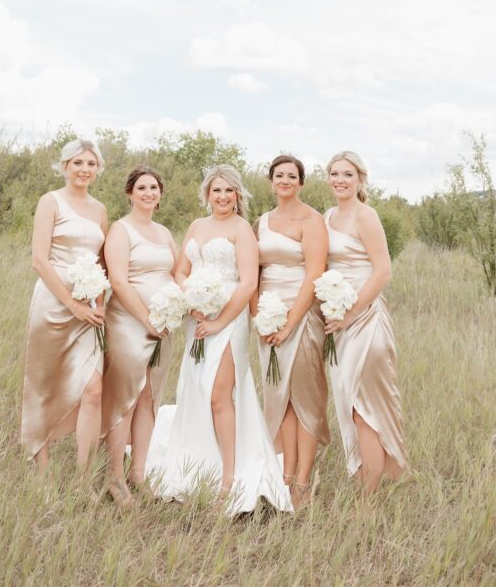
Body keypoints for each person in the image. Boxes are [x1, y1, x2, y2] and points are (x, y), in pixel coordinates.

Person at [146, 164, 292, 514]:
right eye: (217, 191)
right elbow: (181, 270)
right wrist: (191, 297)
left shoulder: (242, 229)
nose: (223, 197)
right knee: (195, 388)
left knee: (219, 396)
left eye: (229, 191)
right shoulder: (197, 226)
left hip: (230, 319)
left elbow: (247, 283)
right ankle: (201, 465)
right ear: (207, 194)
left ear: (238, 195)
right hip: (199, 318)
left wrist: (220, 320)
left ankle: (229, 479)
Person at [21, 139, 108, 474]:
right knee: (45, 385)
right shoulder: (51, 201)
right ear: (65, 166)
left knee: (93, 390)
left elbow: (100, 264)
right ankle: (42, 472)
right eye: (78, 163)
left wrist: (96, 305)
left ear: (98, 170)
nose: (84, 170)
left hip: (89, 309)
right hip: (54, 305)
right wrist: (72, 304)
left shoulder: (100, 210)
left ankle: (83, 476)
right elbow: (39, 261)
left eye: (90, 164)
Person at [324, 151, 408, 492]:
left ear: (360, 179)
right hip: (338, 322)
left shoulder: (366, 215)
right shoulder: (327, 216)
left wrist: (350, 314)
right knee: (348, 404)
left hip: (365, 319)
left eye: (347, 174)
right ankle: (368, 479)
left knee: (365, 409)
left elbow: (383, 271)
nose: (340, 179)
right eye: (334, 173)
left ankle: (369, 499)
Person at [253, 154, 329, 510]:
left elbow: (315, 274)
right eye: (279, 175)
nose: (285, 180)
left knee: (305, 399)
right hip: (267, 319)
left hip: (301, 316)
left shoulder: (312, 221)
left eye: (291, 176)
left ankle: (303, 481)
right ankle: (285, 475)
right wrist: (260, 319)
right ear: (271, 181)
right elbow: (253, 272)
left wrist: (290, 323)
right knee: (278, 397)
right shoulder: (261, 222)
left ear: (301, 182)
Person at [101, 167, 178, 507]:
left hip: (162, 326)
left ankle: (139, 474)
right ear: (130, 193)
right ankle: (114, 478)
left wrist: (177, 308)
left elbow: (175, 274)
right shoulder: (120, 230)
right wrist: (147, 319)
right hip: (128, 323)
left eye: (154, 187)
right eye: (142, 187)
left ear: (160, 194)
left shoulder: (163, 232)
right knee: (125, 398)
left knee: (149, 397)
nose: (149, 192)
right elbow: (119, 281)